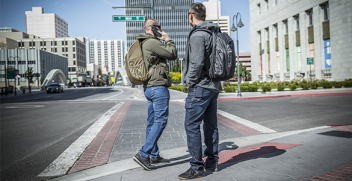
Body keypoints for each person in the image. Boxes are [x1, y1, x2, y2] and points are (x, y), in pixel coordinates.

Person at [178, 3, 222, 180]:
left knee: (191, 125)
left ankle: (196, 167)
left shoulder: (198, 35)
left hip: (200, 87)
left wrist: (189, 82)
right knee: (210, 125)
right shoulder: (214, 32)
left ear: (191, 16)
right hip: (213, 87)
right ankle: (212, 161)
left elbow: (196, 63)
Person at [133, 18, 177, 171]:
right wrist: (168, 39)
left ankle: (153, 155)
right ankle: (143, 154)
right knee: (161, 120)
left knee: (152, 122)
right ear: (153, 28)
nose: (162, 29)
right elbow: (172, 54)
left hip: (150, 88)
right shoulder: (152, 42)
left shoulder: (145, 42)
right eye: (160, 27)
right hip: (157, 87)